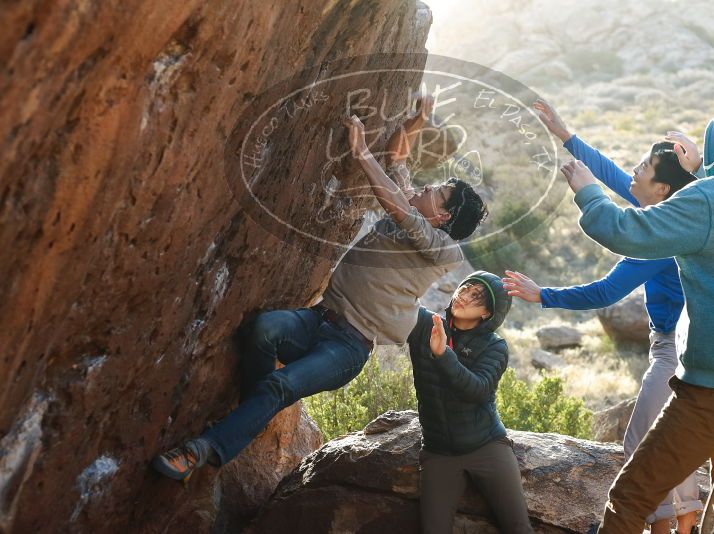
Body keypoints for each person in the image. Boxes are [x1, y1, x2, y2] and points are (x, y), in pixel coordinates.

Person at [152, 94, 488, 480]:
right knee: (263, 330)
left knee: (281, 383)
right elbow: (397, 160)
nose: (427, 188)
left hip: (348, 348)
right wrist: (416, 121)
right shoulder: (414, 208)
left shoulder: (442, 248)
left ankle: (201, 450)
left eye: (437, 192)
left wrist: (361, 152)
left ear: (442, 215)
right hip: (319, 320)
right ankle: (249, 420)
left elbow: (398, 206)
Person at [559, 96, 714, 534]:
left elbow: (626, 231)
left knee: (629, 498)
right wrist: (704, 169)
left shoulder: (708, 199)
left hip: (710, 391)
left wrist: (588, 192)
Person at [503, 99, 700, 534]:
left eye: (644, 166)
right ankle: (683, 523)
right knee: (673, 437)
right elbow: (613, 173)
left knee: (641, 443)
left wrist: (543, 295)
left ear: (661, 189)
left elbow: (605, 291)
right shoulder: (681, 211)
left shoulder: (660, 238)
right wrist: (565, 134)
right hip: (686, 343)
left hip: (674, 348)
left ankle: (662, 527)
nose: (635, 169)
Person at [407, 270, 533, 534]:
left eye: (476, 296)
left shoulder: (495, 346)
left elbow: (478, 390)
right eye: (465, 289)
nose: (464, 296)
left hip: (486, 447)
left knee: (519, 529)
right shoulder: (425, 325)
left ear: (488, 313)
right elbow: (397, 303)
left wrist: (443, 355)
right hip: (438, 451)